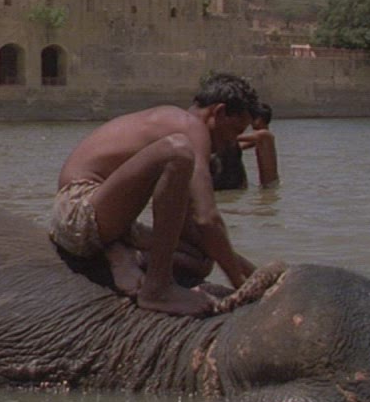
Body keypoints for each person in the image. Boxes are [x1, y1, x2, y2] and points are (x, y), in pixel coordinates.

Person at [49, 72, 265, 316]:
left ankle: (125, 256)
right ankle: (157, 289)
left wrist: (253, 274)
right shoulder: (190, 128)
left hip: (108, 223)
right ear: (219, 112)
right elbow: (207, 218)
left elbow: (197, 229)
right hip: (78, 212)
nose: (232, 143)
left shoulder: (180, 128)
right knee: (177, 150)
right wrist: (242, 288)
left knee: (200, 258)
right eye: (234, 130)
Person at [212, 103, 279, 191]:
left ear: (259, 120)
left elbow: (234, 137)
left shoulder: (263, 134)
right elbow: (241, 146)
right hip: (269, 183)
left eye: (252, 119)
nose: (250, 123)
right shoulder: (263, 139)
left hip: (269, 183)